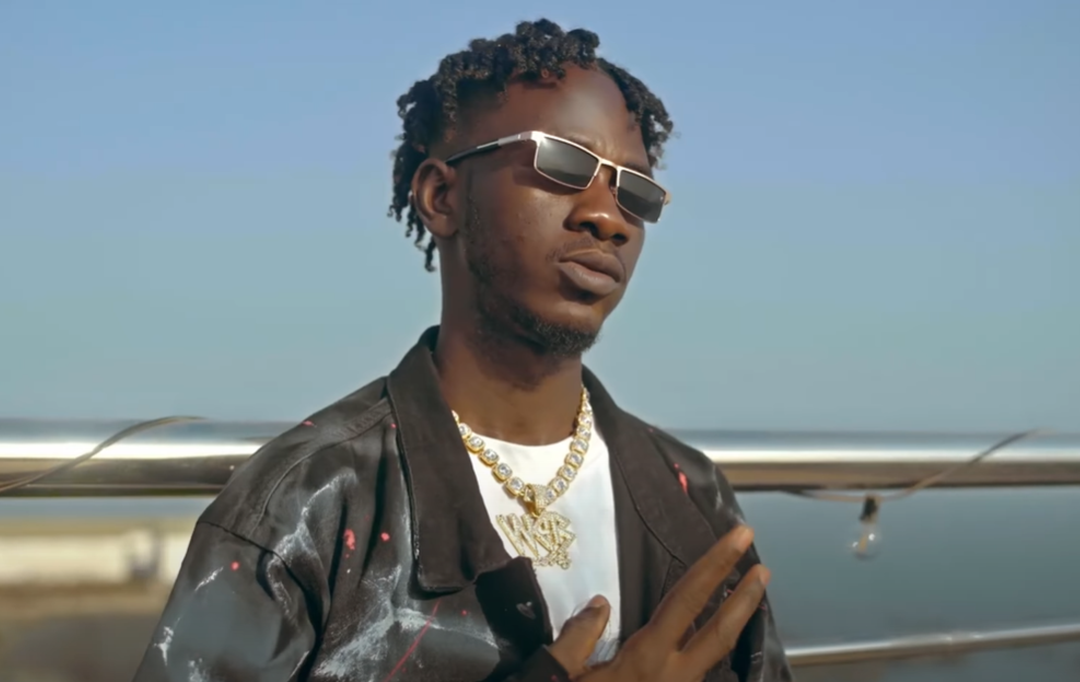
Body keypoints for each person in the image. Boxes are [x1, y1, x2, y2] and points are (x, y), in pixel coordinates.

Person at [133, 18, 793, 682]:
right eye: (563, 163)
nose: (607, 216)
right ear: (441, 196)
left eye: (636, 191)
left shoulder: (692, 494)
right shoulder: (307, 501)